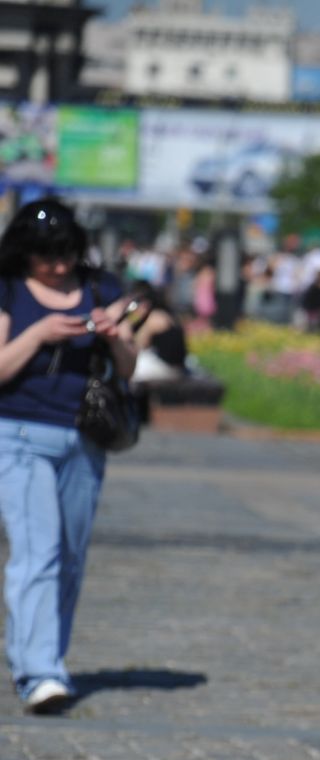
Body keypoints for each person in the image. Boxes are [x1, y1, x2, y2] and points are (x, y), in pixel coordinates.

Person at [0, 199, 137, 715]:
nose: (57, 268)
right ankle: (39, 674)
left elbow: (128, 366)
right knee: (38, 551)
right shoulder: (9, 289)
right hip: (16, 433)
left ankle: (42, 656)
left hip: (83, 437)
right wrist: (39, 332)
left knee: (70, 557)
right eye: (45, 258)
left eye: (64, 256)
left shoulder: (102, 288)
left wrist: (113, 334)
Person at [122, 281, 189, 385]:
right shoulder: (165, 314)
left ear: (145, 303)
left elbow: (139, 346)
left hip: (169, 369)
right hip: (177, 368)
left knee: (131, 368)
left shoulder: (154, 318)